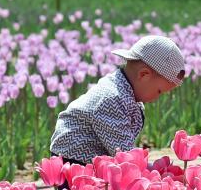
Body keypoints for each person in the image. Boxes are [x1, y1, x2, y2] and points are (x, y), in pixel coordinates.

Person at [49, 35, 185, 167]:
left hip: (91, 158)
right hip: (73, 160)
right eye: (159, 91)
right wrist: (151, 170)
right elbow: (123, 154)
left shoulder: (125, 92)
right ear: (144, 75)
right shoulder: (112, 99)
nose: (157, 98)